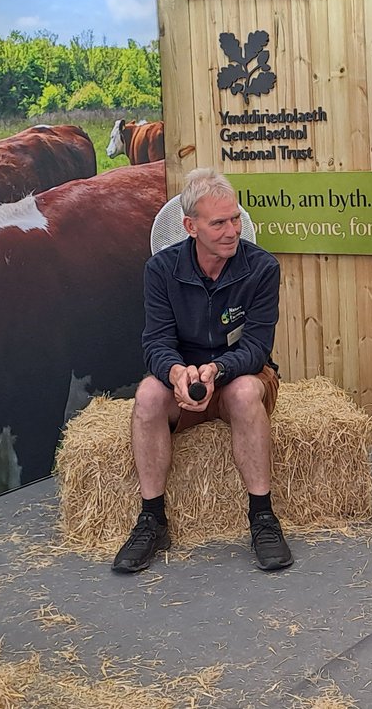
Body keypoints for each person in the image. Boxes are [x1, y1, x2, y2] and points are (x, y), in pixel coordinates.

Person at [112, 167, 291, 574]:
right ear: (190, 226)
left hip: (237, 373)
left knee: (246, 392)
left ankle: (262, 518)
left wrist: (215, 370)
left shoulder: (262, 267)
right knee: (147, 396)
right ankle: (152, 520)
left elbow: (257, 347)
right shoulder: (160, 270)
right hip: (183, 378)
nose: (232, 230)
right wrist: (176, 373)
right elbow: (155, 342)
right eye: (219, 223)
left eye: (235, 219)